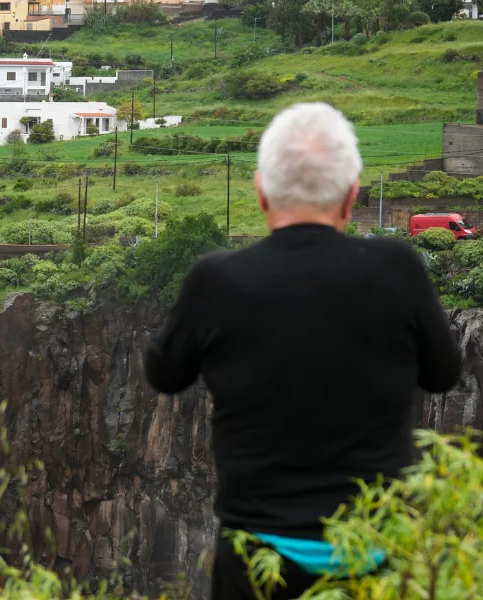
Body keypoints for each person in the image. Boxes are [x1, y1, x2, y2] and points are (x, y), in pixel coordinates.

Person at [144, 103, 460, 599]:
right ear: (351, 195)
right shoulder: (398, 269)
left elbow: (164, 373)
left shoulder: (219, 280)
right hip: (375, 552)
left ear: (261, 191)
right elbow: (444, 373)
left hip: (257, 560)